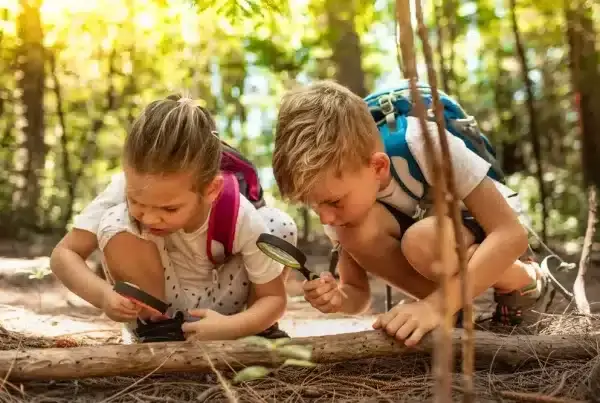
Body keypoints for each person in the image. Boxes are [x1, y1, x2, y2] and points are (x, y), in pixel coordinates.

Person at [271, 80, 555, 346]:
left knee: (425, 240)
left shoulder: (423, 143)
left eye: (333, 202)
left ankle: (525, 283)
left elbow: (510, 234)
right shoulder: (340, 205)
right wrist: (336, 299)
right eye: (312, 204)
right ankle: (455, 313)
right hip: (443, 246)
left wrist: (434, 306)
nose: (325, 218)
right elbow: (357, 294)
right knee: (357, 231)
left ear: (378, 167)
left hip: (487, 225)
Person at [50, 95, 297, 342]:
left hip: (224, 313)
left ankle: (255, 332)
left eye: (169, 209)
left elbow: (273, 298)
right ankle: (157, 330)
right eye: (136, 202)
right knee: (115, 220)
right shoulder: (125, 187)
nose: (149, 218)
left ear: (211, 190)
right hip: (159, 306)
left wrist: (231, 327)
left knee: (277, 226)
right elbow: (64, 255)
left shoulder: (239, 212)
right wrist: (103, 295)